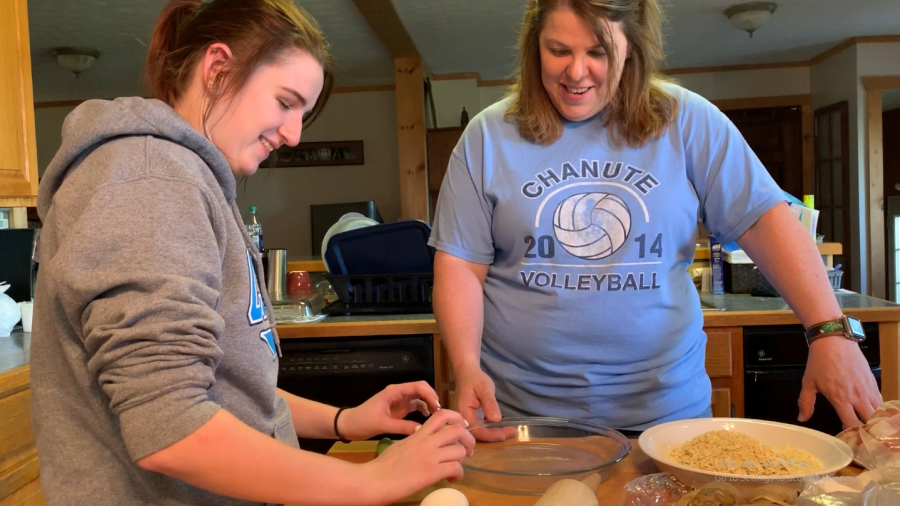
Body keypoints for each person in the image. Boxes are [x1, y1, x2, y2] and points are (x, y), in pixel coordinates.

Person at [29, 1, 474, 505]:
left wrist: (342, 421)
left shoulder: (190, 181)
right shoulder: (151, 179)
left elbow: (226, 388)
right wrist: (371, 480)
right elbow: (169, 423)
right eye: (286, 102)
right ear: (218, 70)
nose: (294, 134)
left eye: (302, 113)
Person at [429, 0, 883, 436]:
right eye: (559, 50)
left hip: (667, 416)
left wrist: (829, 332)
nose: (576, 71)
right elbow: (461, 265)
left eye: (598, 52)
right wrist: (466, 366)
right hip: (523, 420)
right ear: (534, 46)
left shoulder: (689, 121)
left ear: (633, 48)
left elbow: (763, 220)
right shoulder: (486, 137)